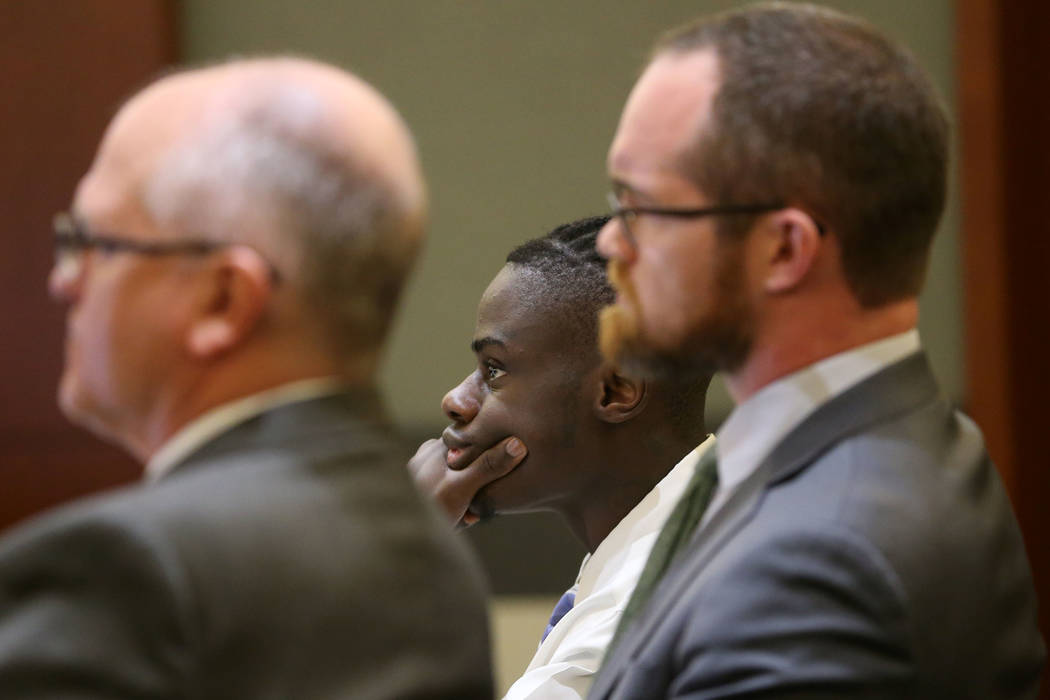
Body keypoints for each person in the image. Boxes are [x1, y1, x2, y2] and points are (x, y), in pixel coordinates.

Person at [590, 4, 1046, 699]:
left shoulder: (811, 568)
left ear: (785, 249)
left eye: (639, 206)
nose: (610, 242)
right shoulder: (930, 437)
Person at [0, 58, 494, 699]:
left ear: (223, 301)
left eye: (96, 242)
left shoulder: (123, 568)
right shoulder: (432, 550)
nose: (63, 280)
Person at [408, 216, 712, 699]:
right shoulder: (710, 528)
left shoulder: (626, 632)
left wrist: (398, 563)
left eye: (495, 369)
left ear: (617, 390)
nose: (456, 400)